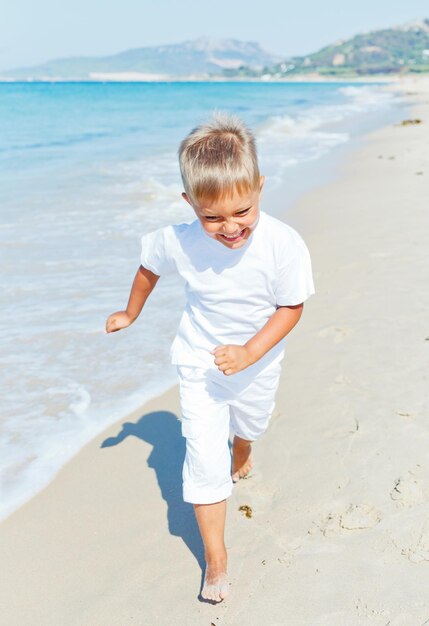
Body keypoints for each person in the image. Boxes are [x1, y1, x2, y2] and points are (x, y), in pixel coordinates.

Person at [105, 112, 315, 602]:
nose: (229, 228)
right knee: (204, 458)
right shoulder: (178, 239)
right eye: (212, 217)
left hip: (258, 362)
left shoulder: (283, 243)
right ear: (189, 204)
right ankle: (217, 559)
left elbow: (292, 307)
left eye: (242, 211)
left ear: (260, 188)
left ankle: (243, 447)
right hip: (198, 361)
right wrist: (130, 312)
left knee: (251, 424)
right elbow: (147, 268)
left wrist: (249, 352)